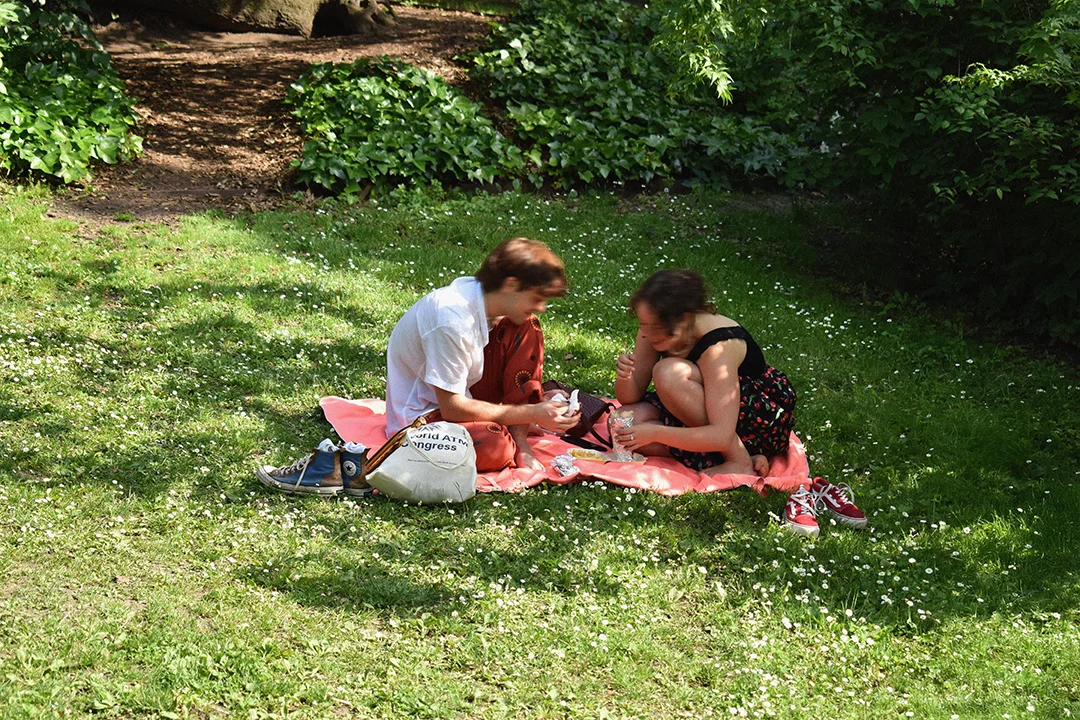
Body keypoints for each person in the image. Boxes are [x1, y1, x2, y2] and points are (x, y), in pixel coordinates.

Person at [257, 237, 580, 496]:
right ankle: (351, 466)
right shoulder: (450, 319)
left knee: (527, 326)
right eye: (537, 296)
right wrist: (531, 413)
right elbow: (453, 408)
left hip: (462, 394)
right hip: (423, 419)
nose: (542, 306)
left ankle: (520, 440)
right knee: (493, 445)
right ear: (510, 285)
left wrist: (528, 427)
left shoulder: (486, 303)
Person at [610, 269, 865, 537]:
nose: (648, 335)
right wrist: (625, 376)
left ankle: (740, 461)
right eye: (643, 326)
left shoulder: (719, 344)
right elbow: (629, 397)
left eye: (656, 330)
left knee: (668, 374)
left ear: (684, 320)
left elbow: (721, 434)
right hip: (699, 406)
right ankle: (724, 454)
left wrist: (657, 432)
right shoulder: (656, 328)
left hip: (757, 416)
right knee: (622, 423)